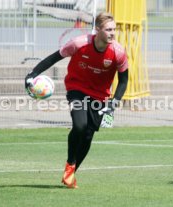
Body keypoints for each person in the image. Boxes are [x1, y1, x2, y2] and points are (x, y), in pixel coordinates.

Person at [25, 12, 129, 189]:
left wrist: (113, 104)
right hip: (77, 89)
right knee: (80, 126)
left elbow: (124, 80)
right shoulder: (79, 43)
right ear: (97, 30)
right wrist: (33, 74)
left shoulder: (118, 52)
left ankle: (71, 173)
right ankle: (70, 162)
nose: (113, 33)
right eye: (108, 29)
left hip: (100, 95)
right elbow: (54, 57)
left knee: (88, 134)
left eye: (114, 29)